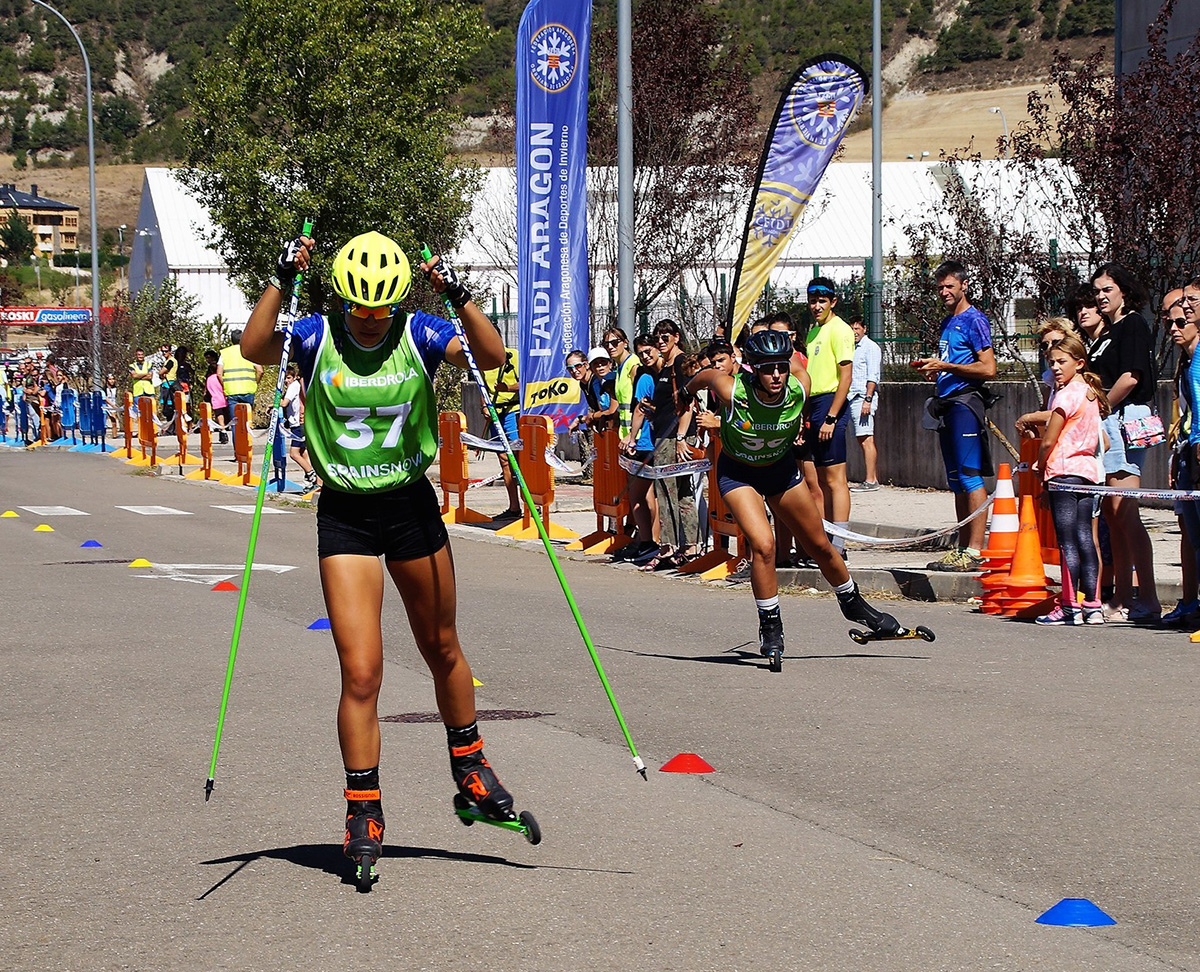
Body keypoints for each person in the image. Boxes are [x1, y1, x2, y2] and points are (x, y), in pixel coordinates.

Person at [240, 230, 527, 883]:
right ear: (343, 296)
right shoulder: (315, 336)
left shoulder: (421, 333)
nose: (371, 319)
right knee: (362, 672)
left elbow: (493, 356)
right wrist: (281, 276)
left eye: (383, 307)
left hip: (408, 509)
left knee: (442, 646)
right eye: (361, 308)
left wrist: (456, 292)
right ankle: (363, 808)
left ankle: (471, 771)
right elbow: (254, 347)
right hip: (345, 515)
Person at [685, 329, 902, 665]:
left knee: (819, 546)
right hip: (739, 473)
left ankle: (853, 603)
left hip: (780, 471)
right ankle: (770, 625)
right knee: (764, 545)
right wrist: (685, 392)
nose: (776, 375)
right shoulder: (732, 391)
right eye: (768, 368)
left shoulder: (799, 387)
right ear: (754, 369)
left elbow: (799, 368)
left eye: (781, 368)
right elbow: (708, 375)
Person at [1088, 262, 1161, 622]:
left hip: (1125, 419)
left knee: (1124, 509)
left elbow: (1131, 378)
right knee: (1114, 515)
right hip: (1108, 421)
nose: (1101, 297)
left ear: (1124, 292)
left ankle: (1147, 596)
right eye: (1097, 291)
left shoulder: (1132, 325)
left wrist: (1099, 409)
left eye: (1107, 290)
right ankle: (1120, 597)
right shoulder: (1106, 333)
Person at [914, 260, 997, 572]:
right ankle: (962, 548)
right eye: (940, 288)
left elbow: (988, 368)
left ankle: (975, 550)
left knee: (969, 475)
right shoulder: (949, 322)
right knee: (955, 480)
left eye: (950, 286)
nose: (944, 292)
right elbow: (952, 362)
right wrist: (934, 371)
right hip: (945, 402)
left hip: (965, 404)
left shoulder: (975, 320)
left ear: (964, 285)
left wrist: (946, 367)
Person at [1029, 332, 1108, 625]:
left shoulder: (1065, 396)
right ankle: (1094, 605)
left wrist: (1039, 464)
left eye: (1062, 361)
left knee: (1067, 542)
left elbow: (1050, 440)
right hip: (1088, 473)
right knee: (1086, 537)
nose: (1056, 367)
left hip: (1063, 473)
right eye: (1052, 362)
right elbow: (1103, 440)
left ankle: (1069, 605)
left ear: (1079, 362)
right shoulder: (1091, 394)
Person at [802, 279, 856, 554]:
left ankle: (841, 542)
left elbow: (846, 376)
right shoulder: (813, 333)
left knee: (835, 479)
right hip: (814, 403)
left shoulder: (840, 329)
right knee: (821, 480)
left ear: (833, 302)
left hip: (831, 403)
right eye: (813, 301)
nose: (817, 306)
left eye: (822, 301)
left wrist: (832, 417)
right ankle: (826, 538)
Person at [641, 319, 698, 570]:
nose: (660, 343)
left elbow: (689, 403)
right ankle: (687, 547)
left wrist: (682, 438)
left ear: (676, 337)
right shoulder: (665, 367)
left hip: (674, 438)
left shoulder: (681, 363)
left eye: (665, 338)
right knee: (681, 492)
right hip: (665, 434)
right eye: (657, 339)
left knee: (666, 491)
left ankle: (669, 547)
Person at [1166, 290, 1200, 626]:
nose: (1176, 326)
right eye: (1172, 321)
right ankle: (1192, 603)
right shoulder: (1185, 362)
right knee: (1191, 532)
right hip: (1187, 450)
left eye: (1182, 321)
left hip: (1197, 448)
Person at [617, 335, 663, 564]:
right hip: (652, 440)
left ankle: (649, 542)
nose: (646, 356)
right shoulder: (657, 374)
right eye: (642, 353)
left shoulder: (645, 377)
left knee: (638, 496)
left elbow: (640, 409)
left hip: (646, 442)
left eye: (649, 351)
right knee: (646, 495)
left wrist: (631, 437)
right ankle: (649, 542)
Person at [478, 344, 521, 516]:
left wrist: (507, 388)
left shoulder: (514, 356)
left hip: (513, 411)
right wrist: (484, 407)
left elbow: (528, 382)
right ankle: (514, 507)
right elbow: (482, 387)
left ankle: (533, 506)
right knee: (504, 460)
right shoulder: (480, 359)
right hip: (495, 413)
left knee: (518, 459)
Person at [847, 319, 881, 490]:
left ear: (864, 329)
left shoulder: (871, 347)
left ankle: (870, 480)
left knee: (866, 438)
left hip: (862, 397)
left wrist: (867, 399)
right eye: (852, 328)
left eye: (857, 328)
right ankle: (872, 477)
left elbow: (873, 375)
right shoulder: (851, 348)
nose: (854, 332)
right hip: (852, 396)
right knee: (862, 439)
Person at [218, 328, 264, 437]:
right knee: (247, 422)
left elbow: (219, 373)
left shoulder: (225, 353)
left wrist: (225, 385)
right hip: (248, 390)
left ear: (231, 340)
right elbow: (260, 370)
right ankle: (247, 447)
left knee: (235, 423)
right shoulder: (248, 351)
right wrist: (255, 382)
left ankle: (238, 451)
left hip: (232, 392)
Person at [281, 365, 318, 491]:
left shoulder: (294, 386)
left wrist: (274, 404)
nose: (287, 381)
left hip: (298, 424)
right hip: (298, 423)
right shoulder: (298, 385)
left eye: (289, 377)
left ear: (295, 376)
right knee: (303, 452)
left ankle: (311, 474)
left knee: (294, 453)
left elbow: (284, 403)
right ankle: (310, 478)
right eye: (285, 378)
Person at [601, 327, 639, 441]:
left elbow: (642, 403)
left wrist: (632, 434)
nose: (610, 347)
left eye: (615, 343)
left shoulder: (633, 365)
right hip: (626, 433)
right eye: (606, 344)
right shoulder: (619, 368)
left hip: (637, 435)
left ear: (625, 343)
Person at [203, 349, 230, 444]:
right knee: (222, 410)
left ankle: (222, 430)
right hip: (217, 388)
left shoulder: (215, 367)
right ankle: (223, 430)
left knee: (219, 411)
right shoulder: (216, 366)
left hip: (216, 388)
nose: (208, 360)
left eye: (209, 358)